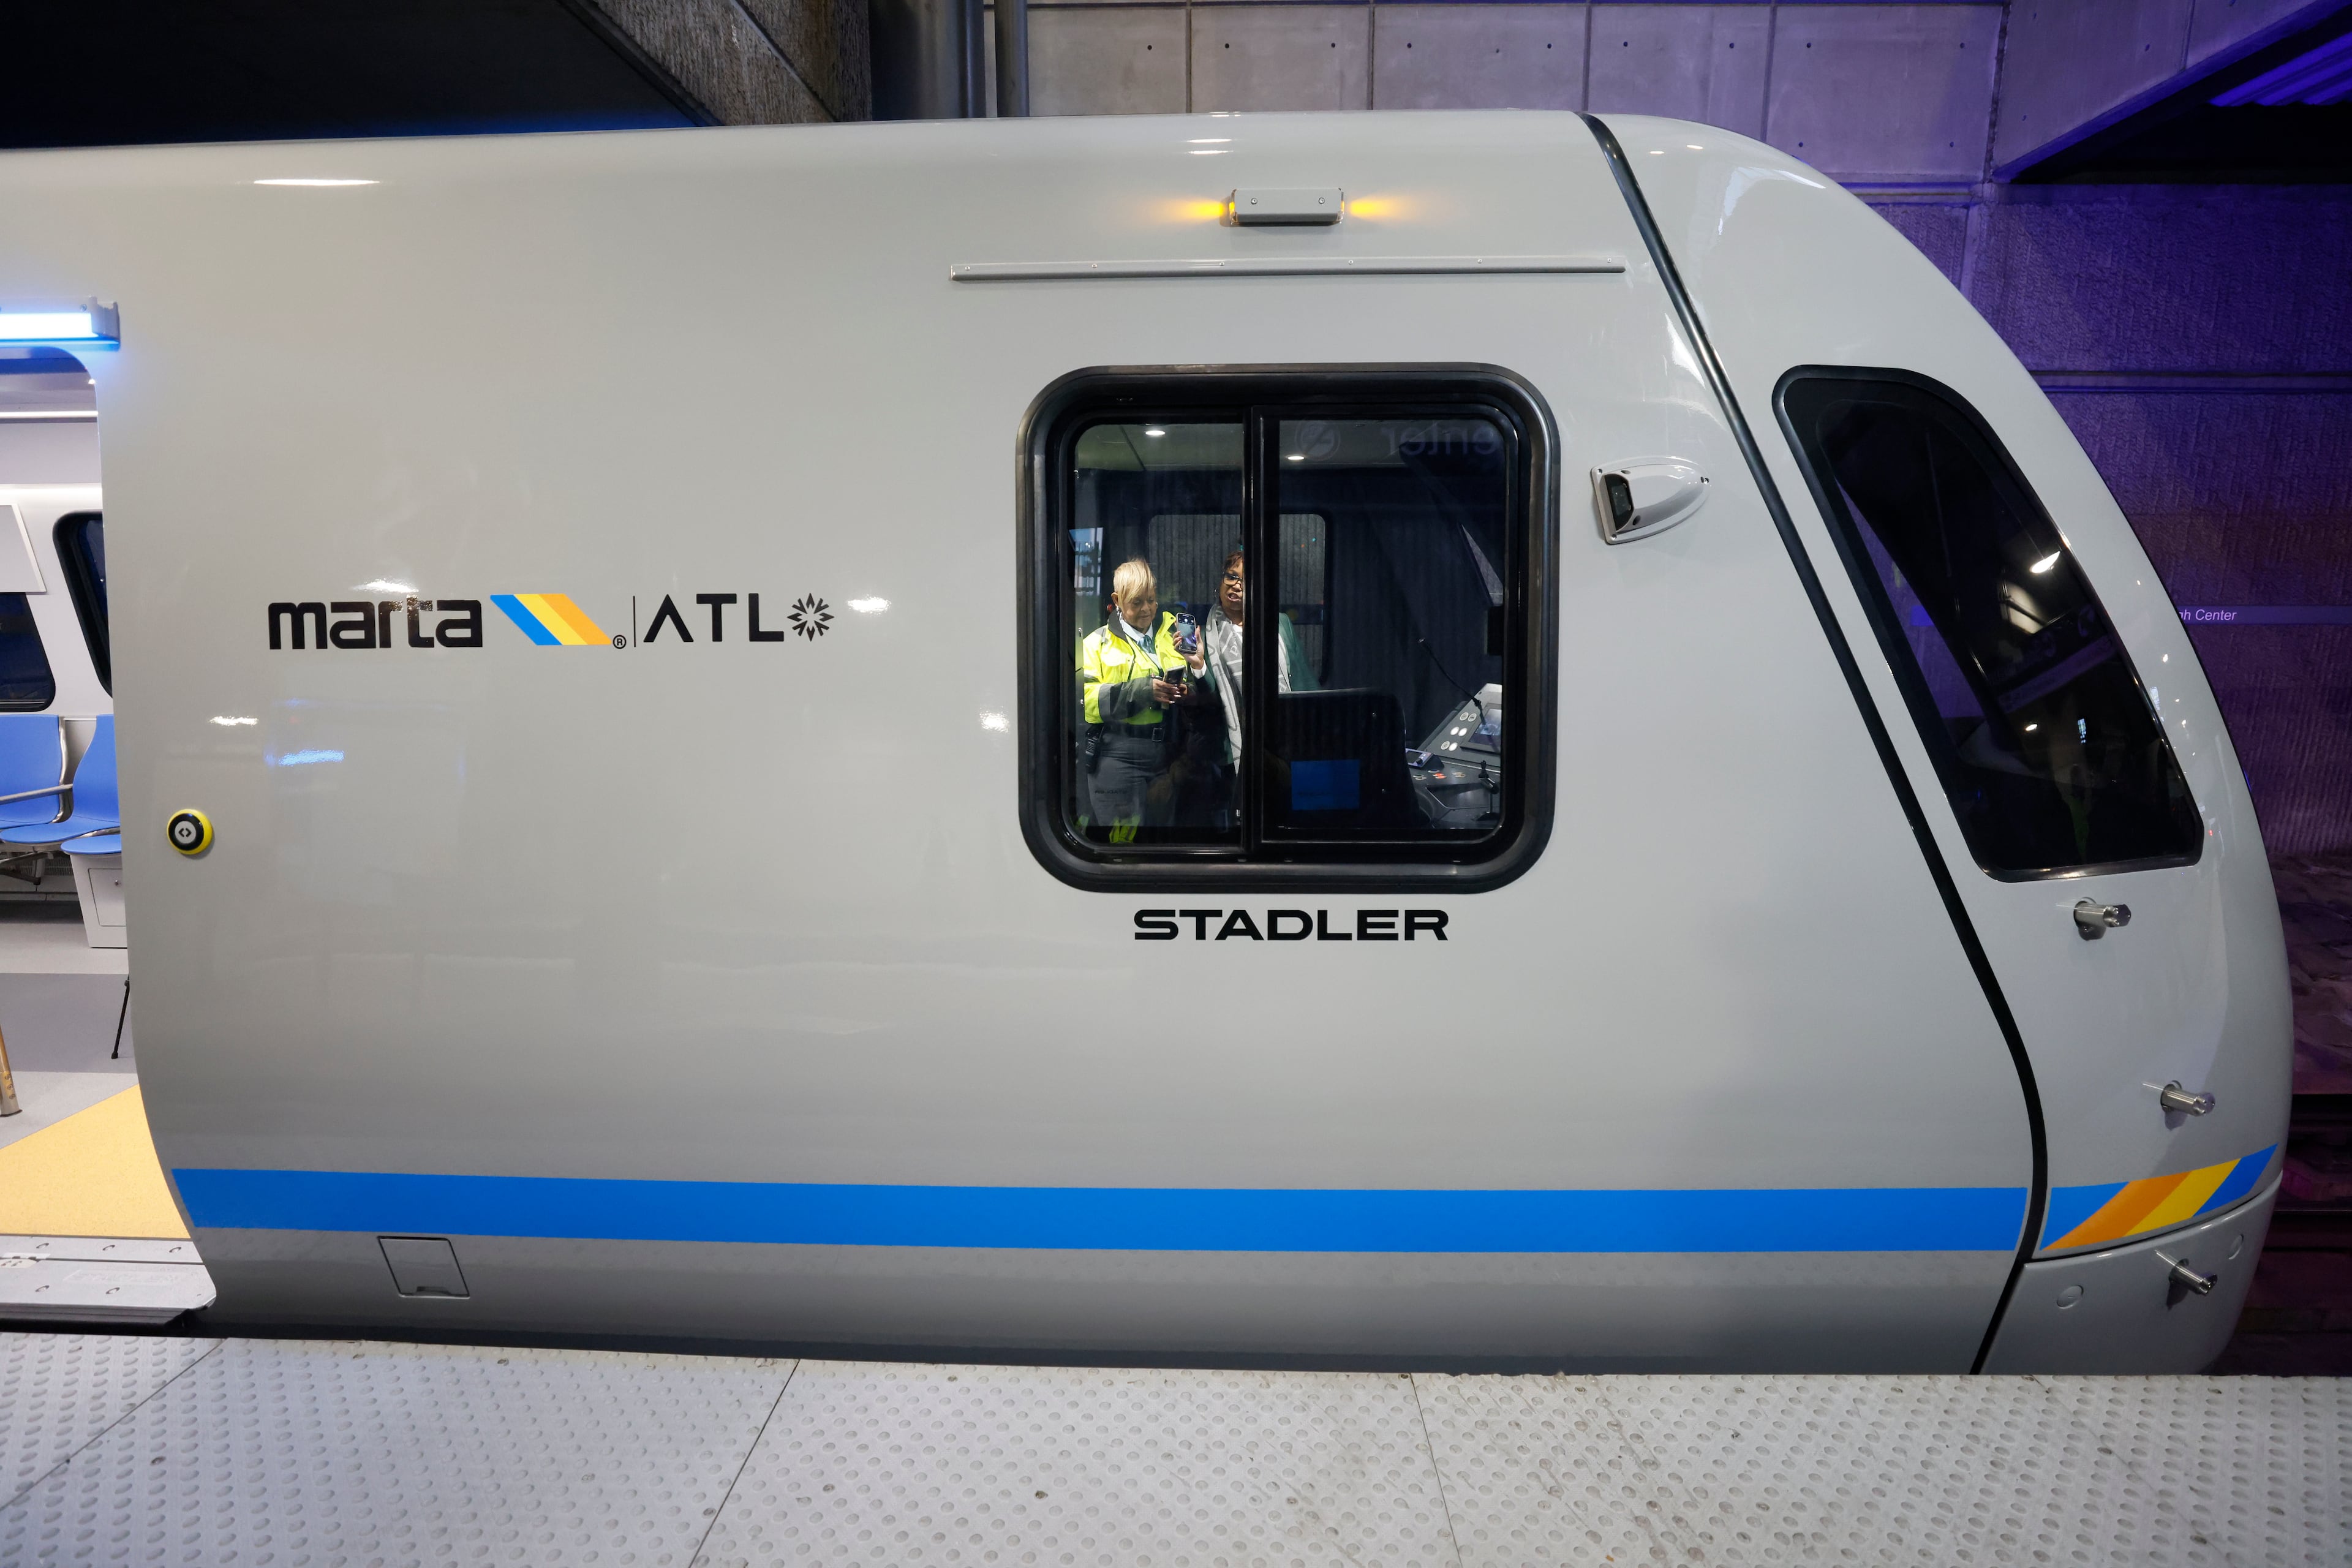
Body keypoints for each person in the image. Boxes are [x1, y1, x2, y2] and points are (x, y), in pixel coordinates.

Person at [1075, 559, 1195, 843]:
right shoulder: (1096, 644)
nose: (1147, 610)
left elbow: (1191, 682)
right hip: (1117, 756)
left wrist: (1187, 688)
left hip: (1167, 756)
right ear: (1117, 600)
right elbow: (1086, 702)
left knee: (1164, 844)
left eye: (1152, 600)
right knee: (1124, 844)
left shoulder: (1173, 635)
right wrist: (1143, 691)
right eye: (1136, 602)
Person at [1193, 551, 1317, 793]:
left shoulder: (1279, 623)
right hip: (1231, 746)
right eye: (1232, 577)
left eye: (1245, 581)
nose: (1237, 586)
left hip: (1281, 736)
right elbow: (1210, 697)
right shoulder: (1205, 633)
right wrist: (1198, 665)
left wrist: (1312, 731)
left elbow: (1302, 679)